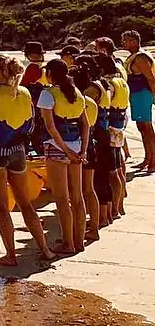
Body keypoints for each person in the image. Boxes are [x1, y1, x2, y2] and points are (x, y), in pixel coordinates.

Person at [0, 55, 54, 265]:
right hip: (18, 152)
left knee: (1, 207)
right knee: (25, 203)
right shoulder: (25, 93)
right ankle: (45, 249)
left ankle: (10, 255)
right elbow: (30, 125)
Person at [37, 59, 89, 255]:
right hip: (76, 146)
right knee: (77, 196)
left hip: (57, 148)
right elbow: (85, 124)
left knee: (61, 198)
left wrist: (66, 151)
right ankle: (79, 240)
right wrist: (82, 150)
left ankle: (68, 242)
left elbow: (50, 127)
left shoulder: (47, 94)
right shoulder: (77, 93)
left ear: (50, 73)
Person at [77, 55, 114, 230]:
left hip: (95, 138)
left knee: (94, 183)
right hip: (104, 134)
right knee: (104, 177)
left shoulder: (87, 96)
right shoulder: (104, 85)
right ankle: (106, 215)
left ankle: (97, 221)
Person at [72, 59, 104, 242]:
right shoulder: (91, 101)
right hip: (90, 145)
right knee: (89, 189)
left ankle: (77, 231)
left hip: (78, 146)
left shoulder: (76, 101)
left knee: (76, 193)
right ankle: (94, 228)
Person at [98, 50, 129, 217]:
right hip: (119, 125)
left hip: (110, 128)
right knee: (118, 167)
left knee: (112, 171)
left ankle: (115, 209)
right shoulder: (121, 81)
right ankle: (120, 205)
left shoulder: (109, 84)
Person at [121, 30, 155, 173]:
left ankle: (153, 160)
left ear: (134, 41)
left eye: (125, 40)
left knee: (147, 128)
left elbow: (150, 78)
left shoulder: (140, 58)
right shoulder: (133, 57)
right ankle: (147, 159)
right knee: (141, 128)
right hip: (136, 95)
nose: (123, 43)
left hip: (142, 94)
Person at [21, 41, 48, 156]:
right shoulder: (44, 69)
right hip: (43, 106)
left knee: (29, 134)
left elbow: (22, 87)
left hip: (33, 108)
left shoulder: (32, 68)